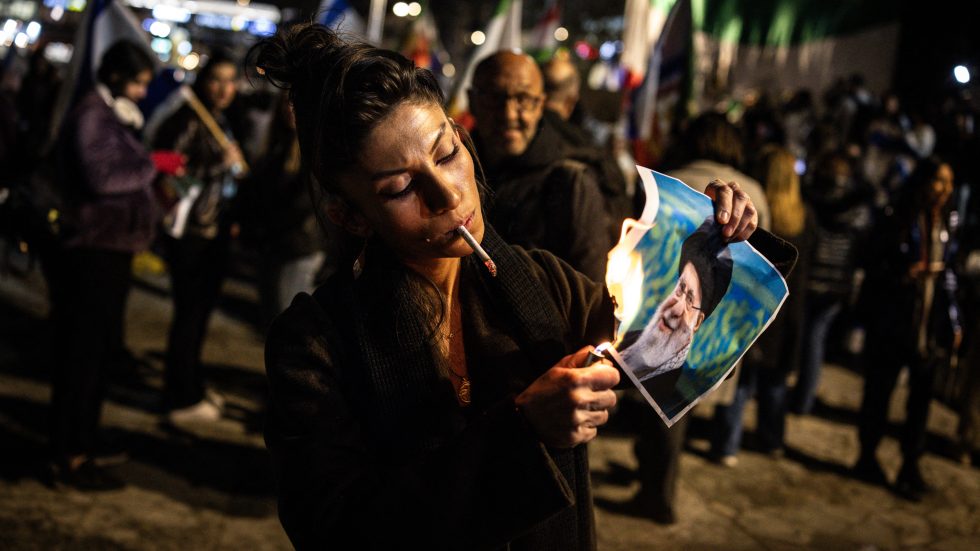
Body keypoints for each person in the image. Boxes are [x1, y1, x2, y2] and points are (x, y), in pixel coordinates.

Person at [251, 23, 758, 549]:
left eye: (447, 154)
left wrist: (711, 242)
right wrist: (522, 433)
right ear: (349, 215)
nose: (446, 194)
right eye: (401, 187)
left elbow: (669, 354)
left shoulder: (545, 283)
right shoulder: (314, 344)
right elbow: (334, 528)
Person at [45, 40, 161, 490]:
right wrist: (151, 165)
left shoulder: (111, 113)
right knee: (82, 355)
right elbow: (101, 177)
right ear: (115, 77)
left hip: (111, 248)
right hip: (91, 250)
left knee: (96, 353)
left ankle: (83, 441)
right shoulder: (92, 115)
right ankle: (70, 454)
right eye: (137, 82)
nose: (140, 92)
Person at [853, 156, 961, 501]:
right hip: (895, 320)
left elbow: (950, 275)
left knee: (920, 401)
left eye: (949, 182)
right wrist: (902, 272)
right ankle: (867, 455)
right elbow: (871, 260)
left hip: (928, 324)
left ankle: (910, 464)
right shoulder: (897, 217)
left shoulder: (948, 221)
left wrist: (954, 321)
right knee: (880, 391)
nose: (944, 190)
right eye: (939, 181)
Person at [153, 50, 246, 424]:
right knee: (189, 315)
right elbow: (166, 173)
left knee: (200, 314)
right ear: (202, 81)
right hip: (192, 234)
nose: (224, 89)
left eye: (230, 80)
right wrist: (215, 167)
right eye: (216, 80)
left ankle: (190, 384)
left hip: (215, 230)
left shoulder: (218, 119)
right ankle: (179, 396)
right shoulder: (187, 120)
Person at [710, 145, 817, 466]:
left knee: (741, 381)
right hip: (785, 308)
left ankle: (727, 446)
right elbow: (803, 274)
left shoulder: (753, 213)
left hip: (750, 303)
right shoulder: (804, 217)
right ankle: (772, 439)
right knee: (774, 382)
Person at [468, 50, 612, 281]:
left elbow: (588, 297)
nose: (509, 114)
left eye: (523, 99)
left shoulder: (571, 183)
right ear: (472, 102)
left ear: (540, 105)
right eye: (494, 98)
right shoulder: (451, 174)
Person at [620, 217, 734, 382]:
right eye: (680, 289)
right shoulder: (629, 339)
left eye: (689, 300)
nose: (674, 309)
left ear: (697, 322)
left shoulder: (682, 379)